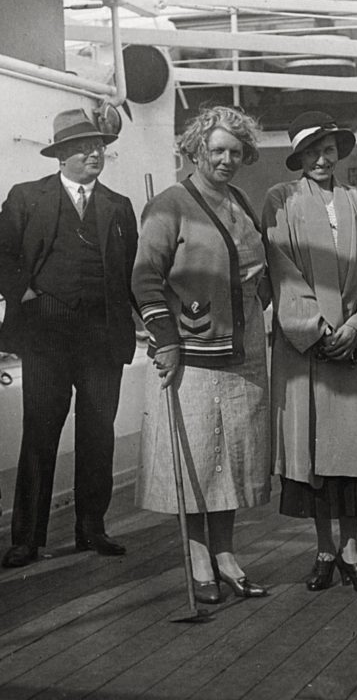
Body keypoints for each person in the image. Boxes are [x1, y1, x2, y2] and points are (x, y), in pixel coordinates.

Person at [133, 105, 271, 605]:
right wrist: (166, 340)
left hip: (244, 350)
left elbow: (259, 270)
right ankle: (197, 559)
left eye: (235, 151)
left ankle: (227, 555)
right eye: (216, 150)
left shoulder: (240, 200)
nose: (226, 159)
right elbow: (144, 277)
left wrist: (252, 312)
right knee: (197, 457)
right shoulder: (170, 204)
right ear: (196, 150)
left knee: (232, 457)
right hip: (190, 353)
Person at [262, 111, 357, 595]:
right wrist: (317, 331)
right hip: (310, 350)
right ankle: (323, 549)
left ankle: (353, 549)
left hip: (354, 348)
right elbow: (283, 269)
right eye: (312, 151)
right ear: (299, 157)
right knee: (315, 454)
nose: (322, 158)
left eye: (329, 148)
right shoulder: (282, 199)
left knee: (354, 453)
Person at [0, 109, 138, 568]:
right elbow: (2, 255)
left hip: (102, 336)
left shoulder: (119, 206)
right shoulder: (26, 198)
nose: (94, 152)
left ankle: (91, 529)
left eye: (98, 145)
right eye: (82, 146)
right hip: (45, 334)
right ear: (60, 155)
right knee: (40, 432)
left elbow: (133, 273)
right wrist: (26, 292)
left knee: (98, 432)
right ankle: (27, 538)